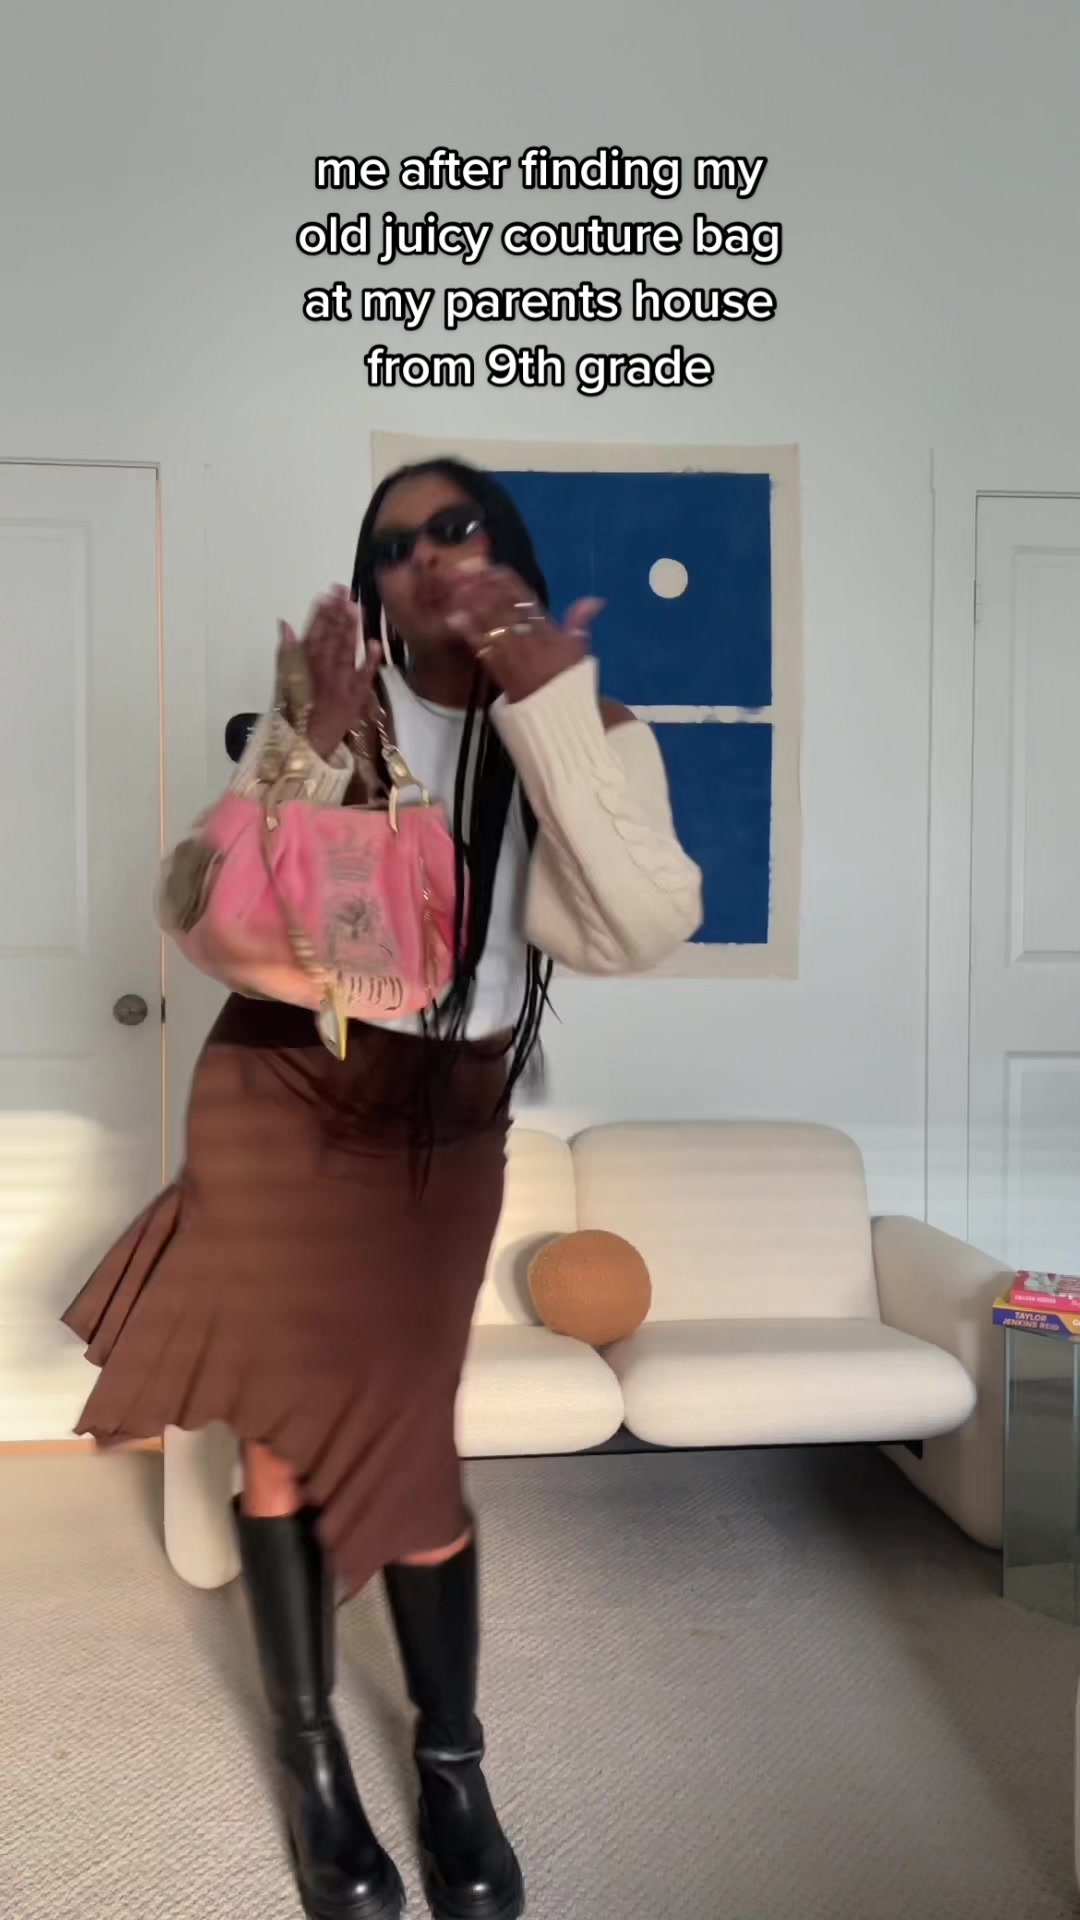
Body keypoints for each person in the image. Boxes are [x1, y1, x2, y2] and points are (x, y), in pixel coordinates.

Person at [61, 458, 703, 1920]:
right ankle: (311, 1765)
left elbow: (630, 929)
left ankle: (452, 1761)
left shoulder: (593, 727)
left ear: (508, 548)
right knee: (281, 1442)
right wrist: (305, 749)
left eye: (453, 526)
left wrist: (543, 703)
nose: (426, 552)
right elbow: (194, 907)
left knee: (412, 1440)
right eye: (395, 539)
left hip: (444, 1120)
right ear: (374, 580)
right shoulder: (329, 715)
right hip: (281, 1092)